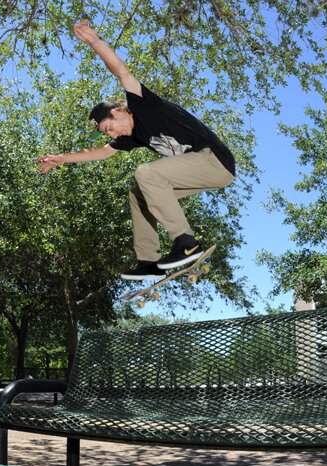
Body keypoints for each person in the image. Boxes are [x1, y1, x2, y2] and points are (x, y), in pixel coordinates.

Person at [36, 19, 236, 281]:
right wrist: (62, 158)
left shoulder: (143, 105)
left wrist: (95, 42)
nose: (113, 134)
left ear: (118, 111)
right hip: (202, 171)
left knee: (146, 172)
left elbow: (122, 73)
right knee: (138, 194)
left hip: (215, 161)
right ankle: (149, 262)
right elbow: (101, 152)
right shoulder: (134, 136)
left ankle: (186, 242)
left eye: (110, 127)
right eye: (109, 134)